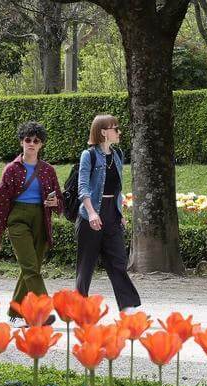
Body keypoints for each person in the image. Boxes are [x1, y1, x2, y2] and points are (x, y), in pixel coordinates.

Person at [0, 121, 62, 323]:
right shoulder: (11, 170)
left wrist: (55, 202)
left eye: (36, 140)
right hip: (18, 219)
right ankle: (42, 312)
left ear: (41, 145)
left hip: (41, 218)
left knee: (31, 268)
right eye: (27, 140)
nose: (31, 143)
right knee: (30, 267)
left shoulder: (48, 170)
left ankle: (16, 312)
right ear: (21, 142)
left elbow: (60, 202)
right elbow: (0, 204)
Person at [75, 114, 141, 312]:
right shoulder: (89, 155)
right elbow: (83, 187)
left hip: (112, 213)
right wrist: (92, 213)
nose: (119, 132)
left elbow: (117, 187)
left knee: (118, 261)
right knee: (86, 265)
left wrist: (119, 212)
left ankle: (127, 305)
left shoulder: (118, 154)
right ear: (103, 132)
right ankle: (79, 308)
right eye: (115, 128)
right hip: (91, 215)